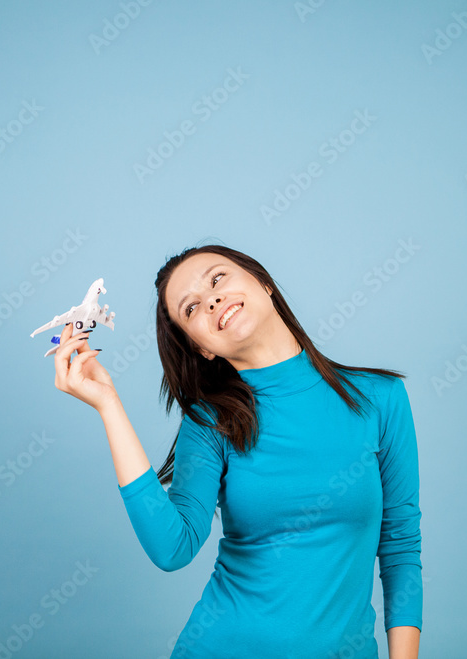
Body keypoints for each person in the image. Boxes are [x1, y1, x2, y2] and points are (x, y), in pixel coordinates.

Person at [52, 244, 422, 658]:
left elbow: (400, 547)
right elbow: (172, 548)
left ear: (263, 282)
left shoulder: (380, 398)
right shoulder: (209, 423)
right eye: (191, 308)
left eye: (217, 279)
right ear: (202, 348)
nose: (211, 300)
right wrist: (109, 406)